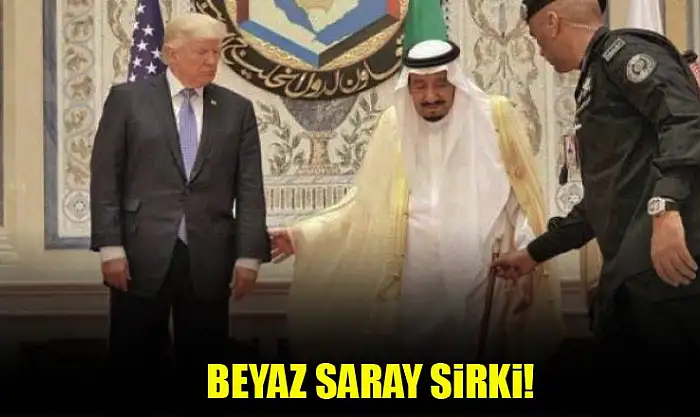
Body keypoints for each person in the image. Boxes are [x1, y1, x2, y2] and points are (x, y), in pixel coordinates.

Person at [493, 0, 700, 403]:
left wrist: (665, 206)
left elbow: (683, 118)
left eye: (537, 39)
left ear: (552, 21)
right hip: (643, 270)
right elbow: (604, 198)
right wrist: (533, 254)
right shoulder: (596, 77)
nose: (540, 51)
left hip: (681, 262)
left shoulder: (623, 53)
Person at [270, 38, 565, 363]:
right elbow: (366, 202)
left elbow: (523, 198)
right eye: (420, 86)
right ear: (407, 88)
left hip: (481, 278)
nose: (430, 96)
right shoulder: (394, 125)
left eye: (441, 84)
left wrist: (527, 251)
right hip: (414, 281)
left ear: (456, 83)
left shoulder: (494, 118)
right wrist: (303, 235)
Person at [89, 13, 270, 399]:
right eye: (202, 52)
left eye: (216, 52)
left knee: (206, 371)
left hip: (209, 256)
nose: (211, 61)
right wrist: (109, 246)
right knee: (133, 368)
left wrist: (249, 256)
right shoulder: (128, 100)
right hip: (138, 256)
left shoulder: (236, 109)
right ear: (171, 53)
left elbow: (250, 188)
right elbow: (105, 176)